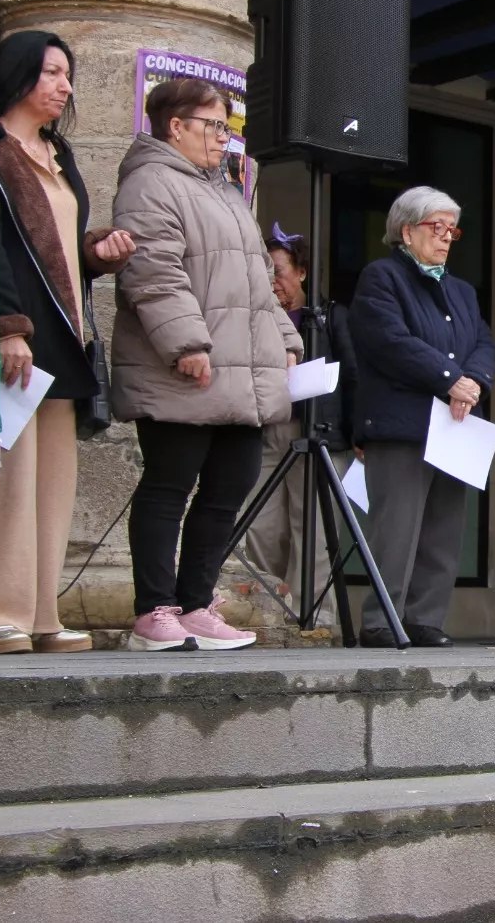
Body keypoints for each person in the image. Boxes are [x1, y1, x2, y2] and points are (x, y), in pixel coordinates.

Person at [0, 31, 135, 655]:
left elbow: (55, 247)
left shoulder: (58, 152)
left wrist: (96, 253)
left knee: (51, 481)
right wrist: (7, 327)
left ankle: (37, 612)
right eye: (53, 73)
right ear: (18, 73)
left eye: (68, 74)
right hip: (7, 333)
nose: (65, 85)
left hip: (61, 335)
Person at [113, 77, 301, 652]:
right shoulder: (150, 182)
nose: (225, 138)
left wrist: (287, 339)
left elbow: (258, 285)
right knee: (169, 484)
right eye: (215, 125)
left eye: (226, 126)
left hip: (239, 373)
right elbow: (154, 273)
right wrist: (186, 344)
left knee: (229, 486)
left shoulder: (223, 189)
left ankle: (195, 604)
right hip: (187, 368)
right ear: (177, 126)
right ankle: (154, 610)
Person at [350, 186, 495, 647]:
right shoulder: (382, 277)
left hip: (455, 425)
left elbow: (485, 344)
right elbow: (390, 342)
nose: (447, 236)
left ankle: (425, 619)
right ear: (407, 231)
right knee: (397, 529)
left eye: (452, 229)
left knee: (443, 530)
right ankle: (380, 622)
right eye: (436, 227)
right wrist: (448, 378)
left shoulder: (462, 291)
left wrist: (472, 381)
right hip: (401, 425)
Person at [240, 225, 358, 617]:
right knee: (258, 526)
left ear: (302, 272)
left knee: (314, 531)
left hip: (314, 430)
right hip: (265, 432)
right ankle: (266, 613)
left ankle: (313, 620)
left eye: (278, 271)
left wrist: (359, 432)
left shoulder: (329, 317)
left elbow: (353, 374)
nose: (272, 281)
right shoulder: (253, 318)